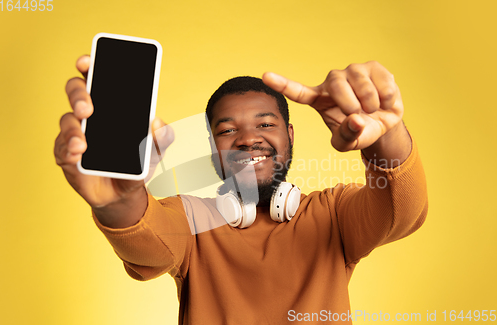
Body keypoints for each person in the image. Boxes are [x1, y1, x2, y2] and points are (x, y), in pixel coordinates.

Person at [55, 56, 428, 324]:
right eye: (228, 130)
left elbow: (402, 212)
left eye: (266, 124)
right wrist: (120, 201)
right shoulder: (193, 220)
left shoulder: (332, 213)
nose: (249, 139)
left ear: (289, 136)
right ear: (212, 147)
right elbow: (148, 247)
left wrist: (387, 133)